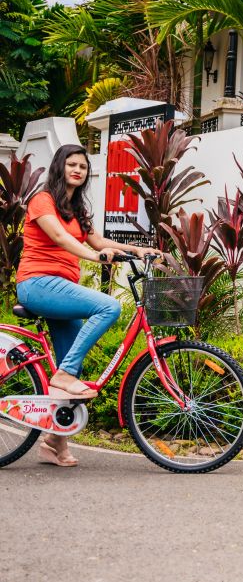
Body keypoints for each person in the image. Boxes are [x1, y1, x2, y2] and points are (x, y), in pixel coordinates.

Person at [15, 144, 153, 467]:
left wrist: (136, 251)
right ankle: (62, 376)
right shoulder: (42, 200)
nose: (78, 170)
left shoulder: (74, 207)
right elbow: (62, 239)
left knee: (70, 364)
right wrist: (94, 258)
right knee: (108, 307)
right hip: (37, 284)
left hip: (61, 289)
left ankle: (53, 444)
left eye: (83, 166)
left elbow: (99, 241)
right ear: (60, 167)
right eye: (72, 164)